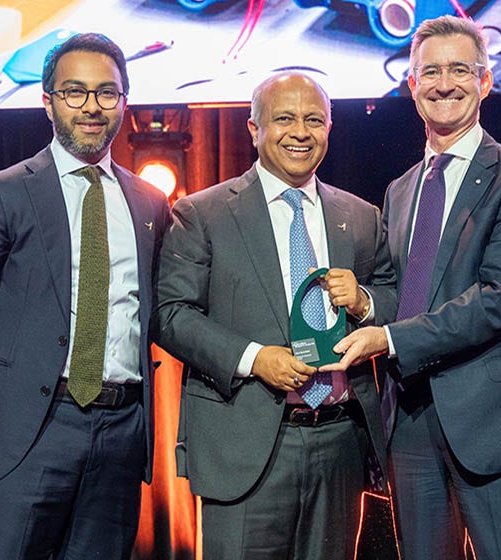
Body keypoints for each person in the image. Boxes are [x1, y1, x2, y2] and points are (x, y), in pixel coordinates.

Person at [324, 15, 501, 560]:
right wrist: (366, 304)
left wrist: (388, 340)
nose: (444, 83)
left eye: (461, 69)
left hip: (498, 420)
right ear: (411, 87)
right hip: (410, 421)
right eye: (429, 72)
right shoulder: (402, 189)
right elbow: (406, 295)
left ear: (485, 82)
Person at [0, 33, 170, 559]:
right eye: (75, 92)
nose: (92, 106)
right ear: (48, 102)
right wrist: (13, 379)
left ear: (124, 104)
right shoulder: (2, 192)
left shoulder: (150, 202)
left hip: (121, 429)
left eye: (107, 92)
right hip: (34, 427)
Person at [156, 72, 397, 559]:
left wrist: (366, 302)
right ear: (254, 128)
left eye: (314, 120)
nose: (300, 132)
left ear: (330, 128)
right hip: (246, 445)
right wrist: (252, 358)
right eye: (284, 118)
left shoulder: (362, 216)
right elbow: (170, 314)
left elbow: (395, 301)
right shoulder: (203, 214)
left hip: (338, 442)